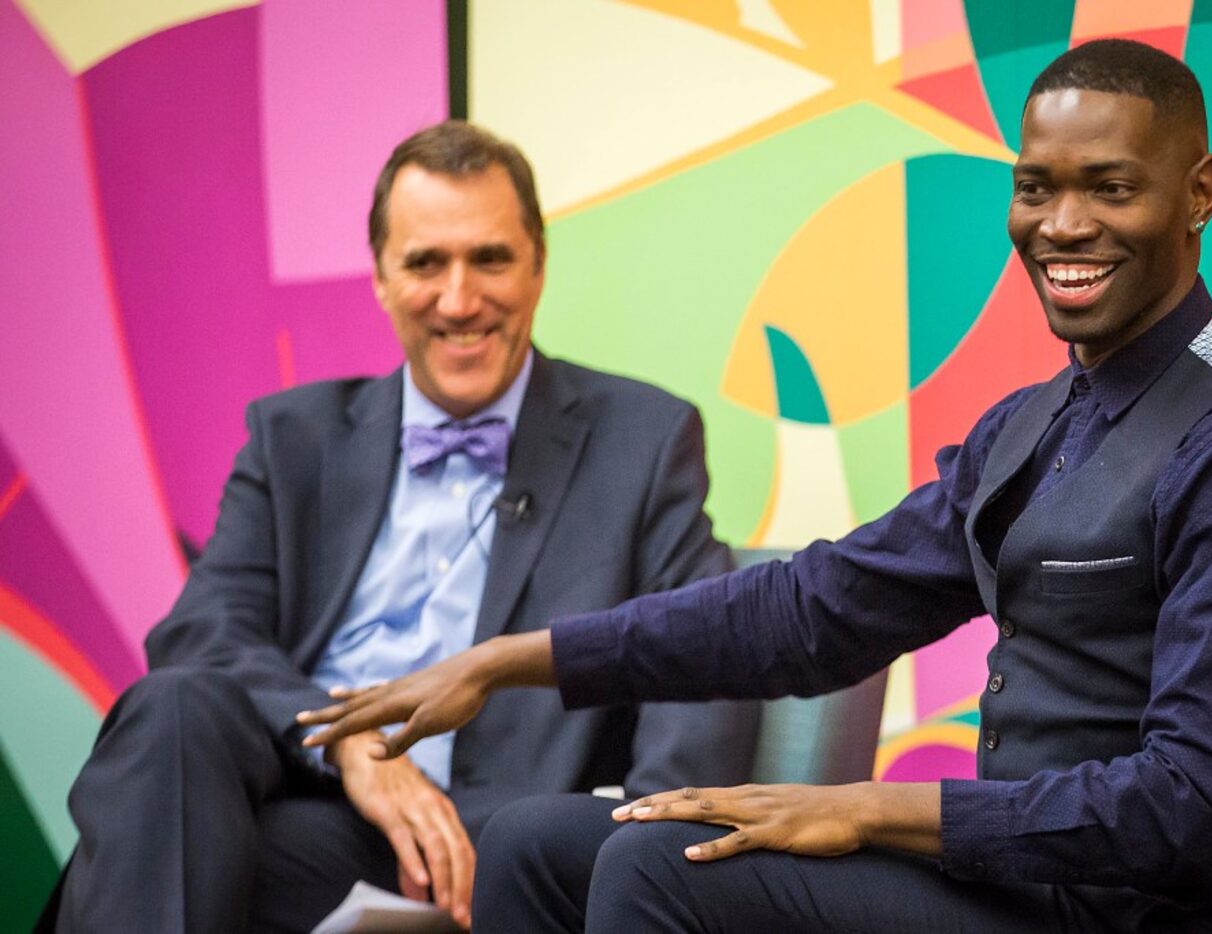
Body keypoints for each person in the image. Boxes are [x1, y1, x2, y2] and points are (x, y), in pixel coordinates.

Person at [299, 40, 1212, 932]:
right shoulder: (1031, 425)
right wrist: (510, 660)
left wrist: (868, 809)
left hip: (1132, 909)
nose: (1061, 224)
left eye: (1108, 187)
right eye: (1035, 187)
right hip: (1017, 883)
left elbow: (1192, 808)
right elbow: (815, 608)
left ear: (1198, 193)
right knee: (536, 839)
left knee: (662, 867)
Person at [51, 121, 758, 933]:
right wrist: (347, 746)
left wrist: (630, 869)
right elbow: (204, 635)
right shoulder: (293, 437)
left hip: (494, 839)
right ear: (382, 278)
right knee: (171, 712)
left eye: (489, 258)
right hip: (307, 797)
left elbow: (703, 657)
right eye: (426, 263)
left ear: (537, 265)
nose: (459, 300)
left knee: (146, 861)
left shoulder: (644, 439)